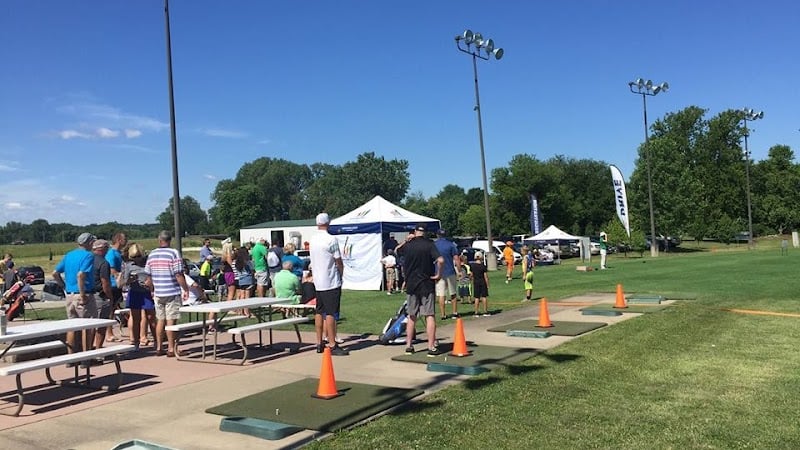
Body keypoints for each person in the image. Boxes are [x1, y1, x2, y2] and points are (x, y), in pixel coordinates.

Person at [398, 224, 444, 357]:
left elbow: (396, 250)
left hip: (412, 284)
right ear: (425, 233)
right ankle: (431, 346)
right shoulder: (429, 244)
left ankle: (409, 346)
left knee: (412, 316)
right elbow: (440, 260)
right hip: (426, 283)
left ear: (415, 231)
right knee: (429, 315)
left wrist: (406, 240)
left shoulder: (408, 245)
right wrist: (439, 275)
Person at [309, 212, 349, 356]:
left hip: (318, 281)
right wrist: (341, 272)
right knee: (331, 312)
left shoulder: (313, 239)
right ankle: (332, 344)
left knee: (319, 311)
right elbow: (338, 260)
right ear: (328, 223)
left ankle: (319, 342)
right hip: (330, 280)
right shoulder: (331, 240)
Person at [144, 231, 189, 357]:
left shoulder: (152, 254)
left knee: (160, 320)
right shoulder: (173, 253)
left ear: (159, 240)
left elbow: (149, 276)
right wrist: (185, 289)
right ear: (170, 240)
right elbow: (178, 274)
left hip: (158, 291)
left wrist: (152, 290)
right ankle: (171, 348)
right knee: (171, 321)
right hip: (171, 291)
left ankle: (159, 346)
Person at [53, 232, 98, 356]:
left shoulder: (69, 255)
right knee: (87, 326)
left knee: (72, 326)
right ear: (89, 243)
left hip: (69, 294)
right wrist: (83, 294)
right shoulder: (88, 256)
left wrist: (63, 285)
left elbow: (55, 273)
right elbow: (81, 275)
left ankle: (71, 356)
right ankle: (86, 357)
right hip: (83, 294)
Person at [122, 243, 155, 350]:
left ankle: (157, 340)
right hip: (135, 292)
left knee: (151, 317)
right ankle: (136, 342)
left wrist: (150, 284)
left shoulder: (148, 263)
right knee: (136, 318)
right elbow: (125, 282)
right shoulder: (129, 266)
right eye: (133, 257)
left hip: (147, 292)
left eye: (138, 257)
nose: (136, 259)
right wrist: (131, 279)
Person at [91, 239, 116, 349]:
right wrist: (110, 297)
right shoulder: (103, 263)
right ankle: (98, 349)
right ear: (103, 249)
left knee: (89, 325)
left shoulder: (87, 260)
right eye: (106, 248)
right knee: (101, 324)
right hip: (100, 295)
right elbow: (105, 282)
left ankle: (88, 347)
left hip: (89, 295)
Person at [104, 232, 127, 344]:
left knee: (113, 310)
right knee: (110, 310)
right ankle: (109, 333)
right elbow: (111, 269)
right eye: (124, 239)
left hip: (118, 286)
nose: (126, 241)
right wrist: (121, 277)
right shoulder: (111, 254)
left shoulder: (118, 253)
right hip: (112, 285)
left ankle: (111, 332)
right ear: (118, 240)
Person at [434, 229, 460, 320]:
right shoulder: (451, 244)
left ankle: (443, 314)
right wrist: (459, 270)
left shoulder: (434, 245)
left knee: (441, 294)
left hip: (438, 272)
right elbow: (456, 258)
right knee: (453, 292)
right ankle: (454, 312)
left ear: (437, 235)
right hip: (450, 270)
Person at [470, 251, 490, 316]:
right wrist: (487, 284)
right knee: (484, 296)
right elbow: (485, 276)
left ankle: (476, 312)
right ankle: (485, 311)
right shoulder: (483, 266)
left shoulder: (472, 266)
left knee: (476, 297)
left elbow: (471, 275)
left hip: (476, 282)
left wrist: (472, 280)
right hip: (482, 282)